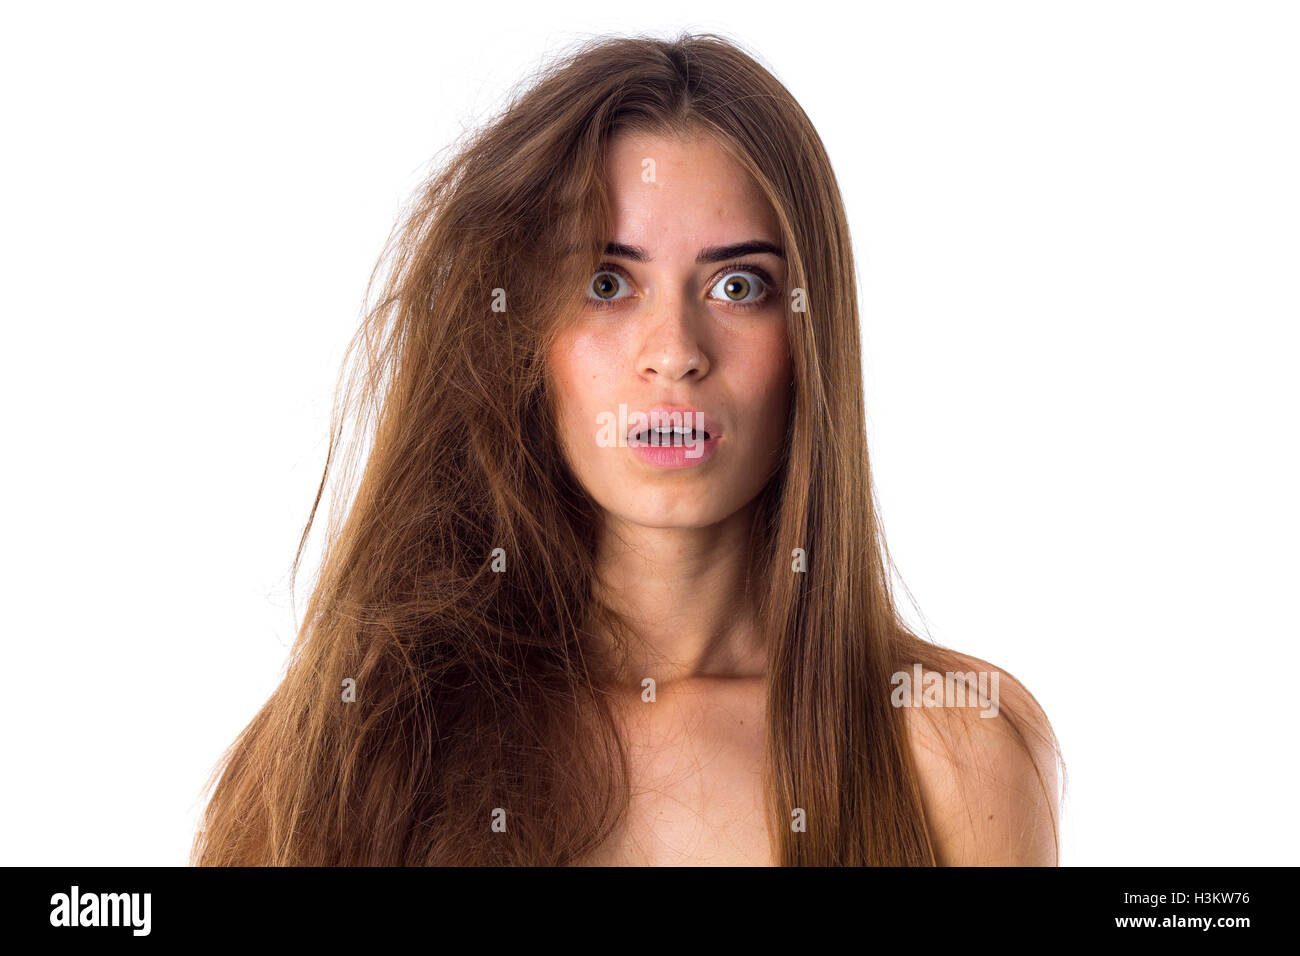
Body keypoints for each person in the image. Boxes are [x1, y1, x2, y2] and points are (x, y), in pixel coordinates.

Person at [193, 32, 1063, 866]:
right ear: (523, 339)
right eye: (606, 283)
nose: (675, 348)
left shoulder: (952, 755)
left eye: (737, 285)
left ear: (810, 336)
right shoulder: (346, 755)